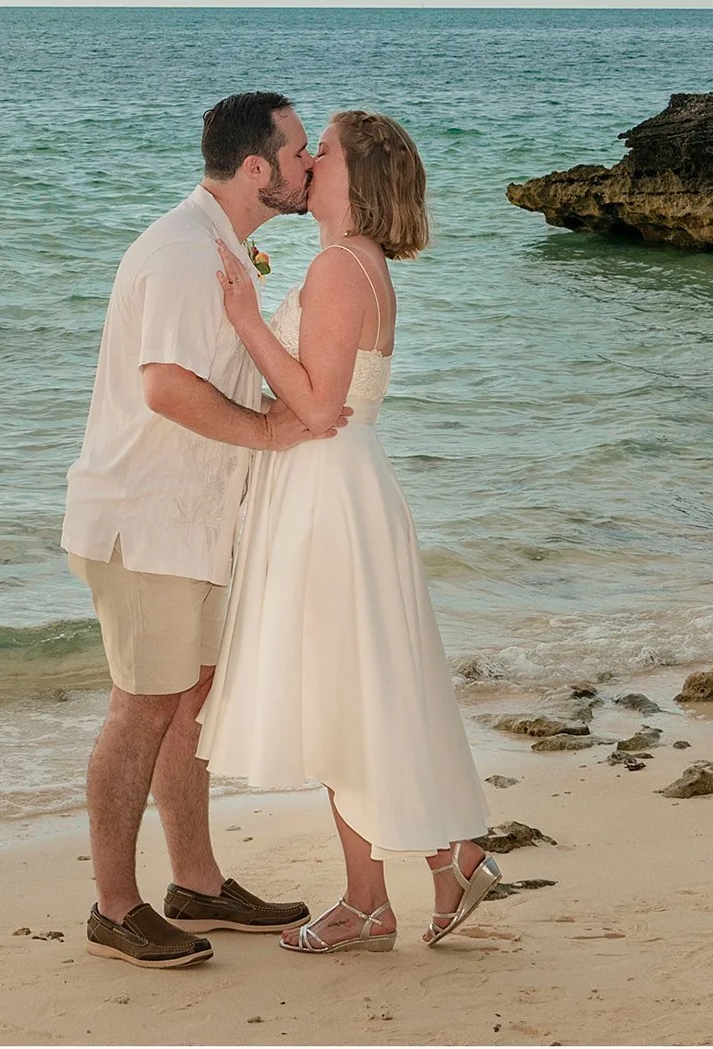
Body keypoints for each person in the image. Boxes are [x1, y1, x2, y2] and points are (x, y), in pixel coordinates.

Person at [198, 109, 499, 954]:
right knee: (358, 694)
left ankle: (384, 894)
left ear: (351, 178)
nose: (310, 159)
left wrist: (246, 318)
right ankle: (426, 870)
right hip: (339, 488)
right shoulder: (354, 264)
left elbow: (322, 406)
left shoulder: (339, 268)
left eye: (321, 150)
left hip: (329, 496)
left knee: (342, 695)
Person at [61, 92, 328, 970]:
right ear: (257, 169)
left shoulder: (220, 247)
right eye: (297, 152)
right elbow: (167, 387)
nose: (308, 166)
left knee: (191, 699)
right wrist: (263, 432)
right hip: (146, 521)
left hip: (196, 523)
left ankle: (198, 884)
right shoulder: (181, 252)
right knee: (142, 707)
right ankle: (114, 907)